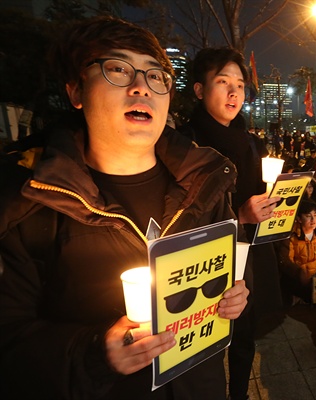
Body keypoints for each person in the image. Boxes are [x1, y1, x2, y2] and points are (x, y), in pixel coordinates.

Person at [0, 17, 249, 399]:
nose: (140, 87)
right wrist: (95, 353)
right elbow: (10, 342)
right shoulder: (30, 203)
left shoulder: (207, 181)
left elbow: (223, 270)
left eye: (156, 77)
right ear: (76, 91)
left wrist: (231, 294)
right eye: (117, 69)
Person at [183, 46, 282, 400]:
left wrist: (277, 201)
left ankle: (238, 394)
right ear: (199, 90)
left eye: (239, 85)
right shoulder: (185, 144)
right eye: (222, 82)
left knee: (244, 336)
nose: (233, 92)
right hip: (203, 261)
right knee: (205, 342)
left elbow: (257, 195)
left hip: (246, 253)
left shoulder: (250, 143)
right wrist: (239, 215)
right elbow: (183, 215)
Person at [278, 201, 316, 303]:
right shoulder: (292, 237)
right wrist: (300, 274)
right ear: (299, 219)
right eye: (308, 216)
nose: (313, 220)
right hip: (298, 280)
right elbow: (286, 261)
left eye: (315, 215)